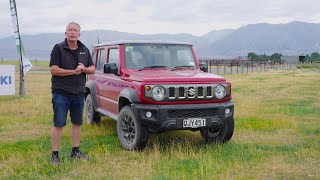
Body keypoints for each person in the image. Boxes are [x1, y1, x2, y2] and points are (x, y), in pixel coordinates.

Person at [49, 22, 95, 165]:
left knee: (77, 123)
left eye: (75, 30)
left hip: (78, 93)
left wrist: (84, 69)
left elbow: (92, 68)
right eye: (70, 30)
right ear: (65, 33)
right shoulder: (58, 48)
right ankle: (55, 155)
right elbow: (54, 70)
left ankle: (75, 152)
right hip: (61, 93)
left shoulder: (84, 49)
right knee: (59, 123)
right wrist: (73, 72)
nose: (72, 32)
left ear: (79, 34)